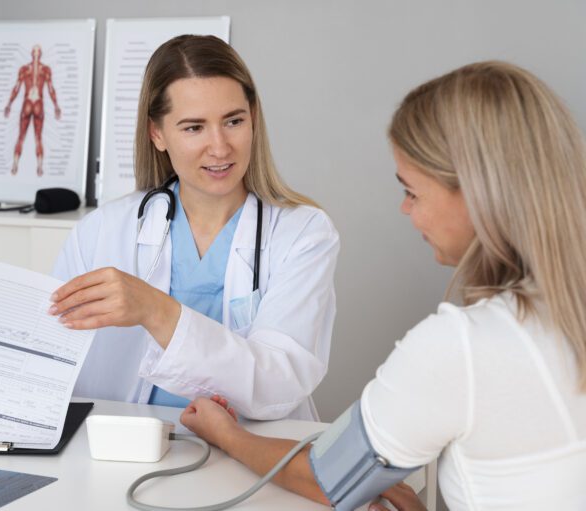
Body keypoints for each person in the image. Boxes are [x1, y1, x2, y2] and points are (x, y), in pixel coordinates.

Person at [180, 61, 586, 510]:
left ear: (477, 193)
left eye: (412, 191)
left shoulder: (463, 345)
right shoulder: (565, 311)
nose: (405, 210)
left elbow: (326, 477)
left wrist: (226, 433)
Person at [49, 35, 339, 420]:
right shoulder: (101, 231)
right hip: (124, 451)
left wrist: (154, 309)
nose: (219, 148)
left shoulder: (302, 233)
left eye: (233, 121)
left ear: (253, 118)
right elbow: (50, 360)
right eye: (194, 128)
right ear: (157, 133)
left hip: (254, 450)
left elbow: (278, 385)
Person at [4, 44, 62, 176]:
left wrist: (9, 104)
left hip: (28, 103)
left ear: (33, 53)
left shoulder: (25, 69)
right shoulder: (45, 70)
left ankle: (15, 165)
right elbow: (51, 89)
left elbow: (17, 88)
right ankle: (39, 167)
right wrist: (56, 106)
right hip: (38, 104)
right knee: (38, 138)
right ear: (39, 54)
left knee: (21, 137)